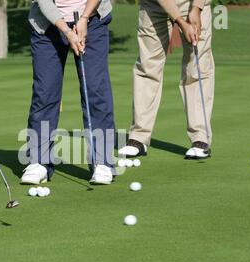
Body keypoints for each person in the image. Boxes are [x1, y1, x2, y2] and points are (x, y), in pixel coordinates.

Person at [21, 0, 115, 185]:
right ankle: (39, 161)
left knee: (96, 91)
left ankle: (102, 162)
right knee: (45, 93)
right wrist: (67, 30)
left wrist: (85, 17)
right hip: (48, 27)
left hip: (92, 21)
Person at [118, 0, 215, 159]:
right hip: (154, 5)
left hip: (193, 3)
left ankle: (200, 138)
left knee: (197, 67)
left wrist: (197, 8)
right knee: (147, 66)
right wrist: (180, 21)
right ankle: (139, 137)